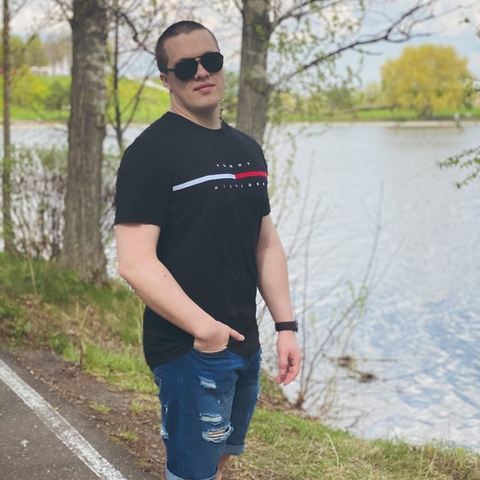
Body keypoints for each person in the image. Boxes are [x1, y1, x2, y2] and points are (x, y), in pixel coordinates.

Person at [114, 20, 301, 480]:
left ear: (221, 65)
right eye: (185, 67)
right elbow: (135, 262)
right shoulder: (150, 153)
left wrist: (285, 326)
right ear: (166, 79)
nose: (201, 72)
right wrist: (206, 330)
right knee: (191, 471)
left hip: (244, 342)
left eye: (210, 60)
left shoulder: (247, 149)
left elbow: (265, 242)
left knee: (219, 459)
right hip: (189, 347)